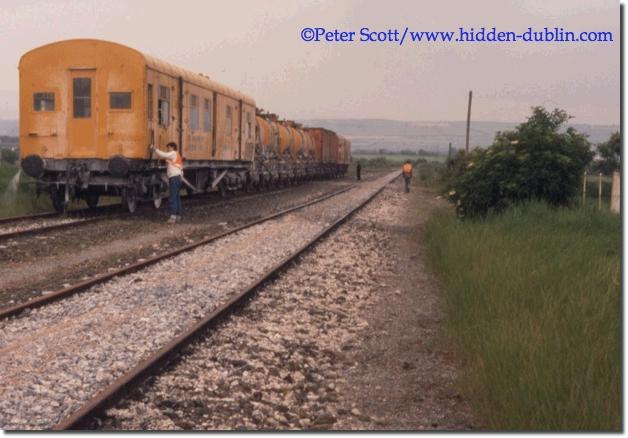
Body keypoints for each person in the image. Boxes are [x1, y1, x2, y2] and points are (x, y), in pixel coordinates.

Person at [149, 142, 183, 223]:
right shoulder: (177, 155)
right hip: (177, 177)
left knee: (173, 197)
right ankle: (178, 215)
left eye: (169, 148)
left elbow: (164, 154)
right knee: (177, 197)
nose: (168, 149)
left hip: (174, 178)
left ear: (172, 147)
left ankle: (173, 216)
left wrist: (154, 149)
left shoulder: (173, 153)